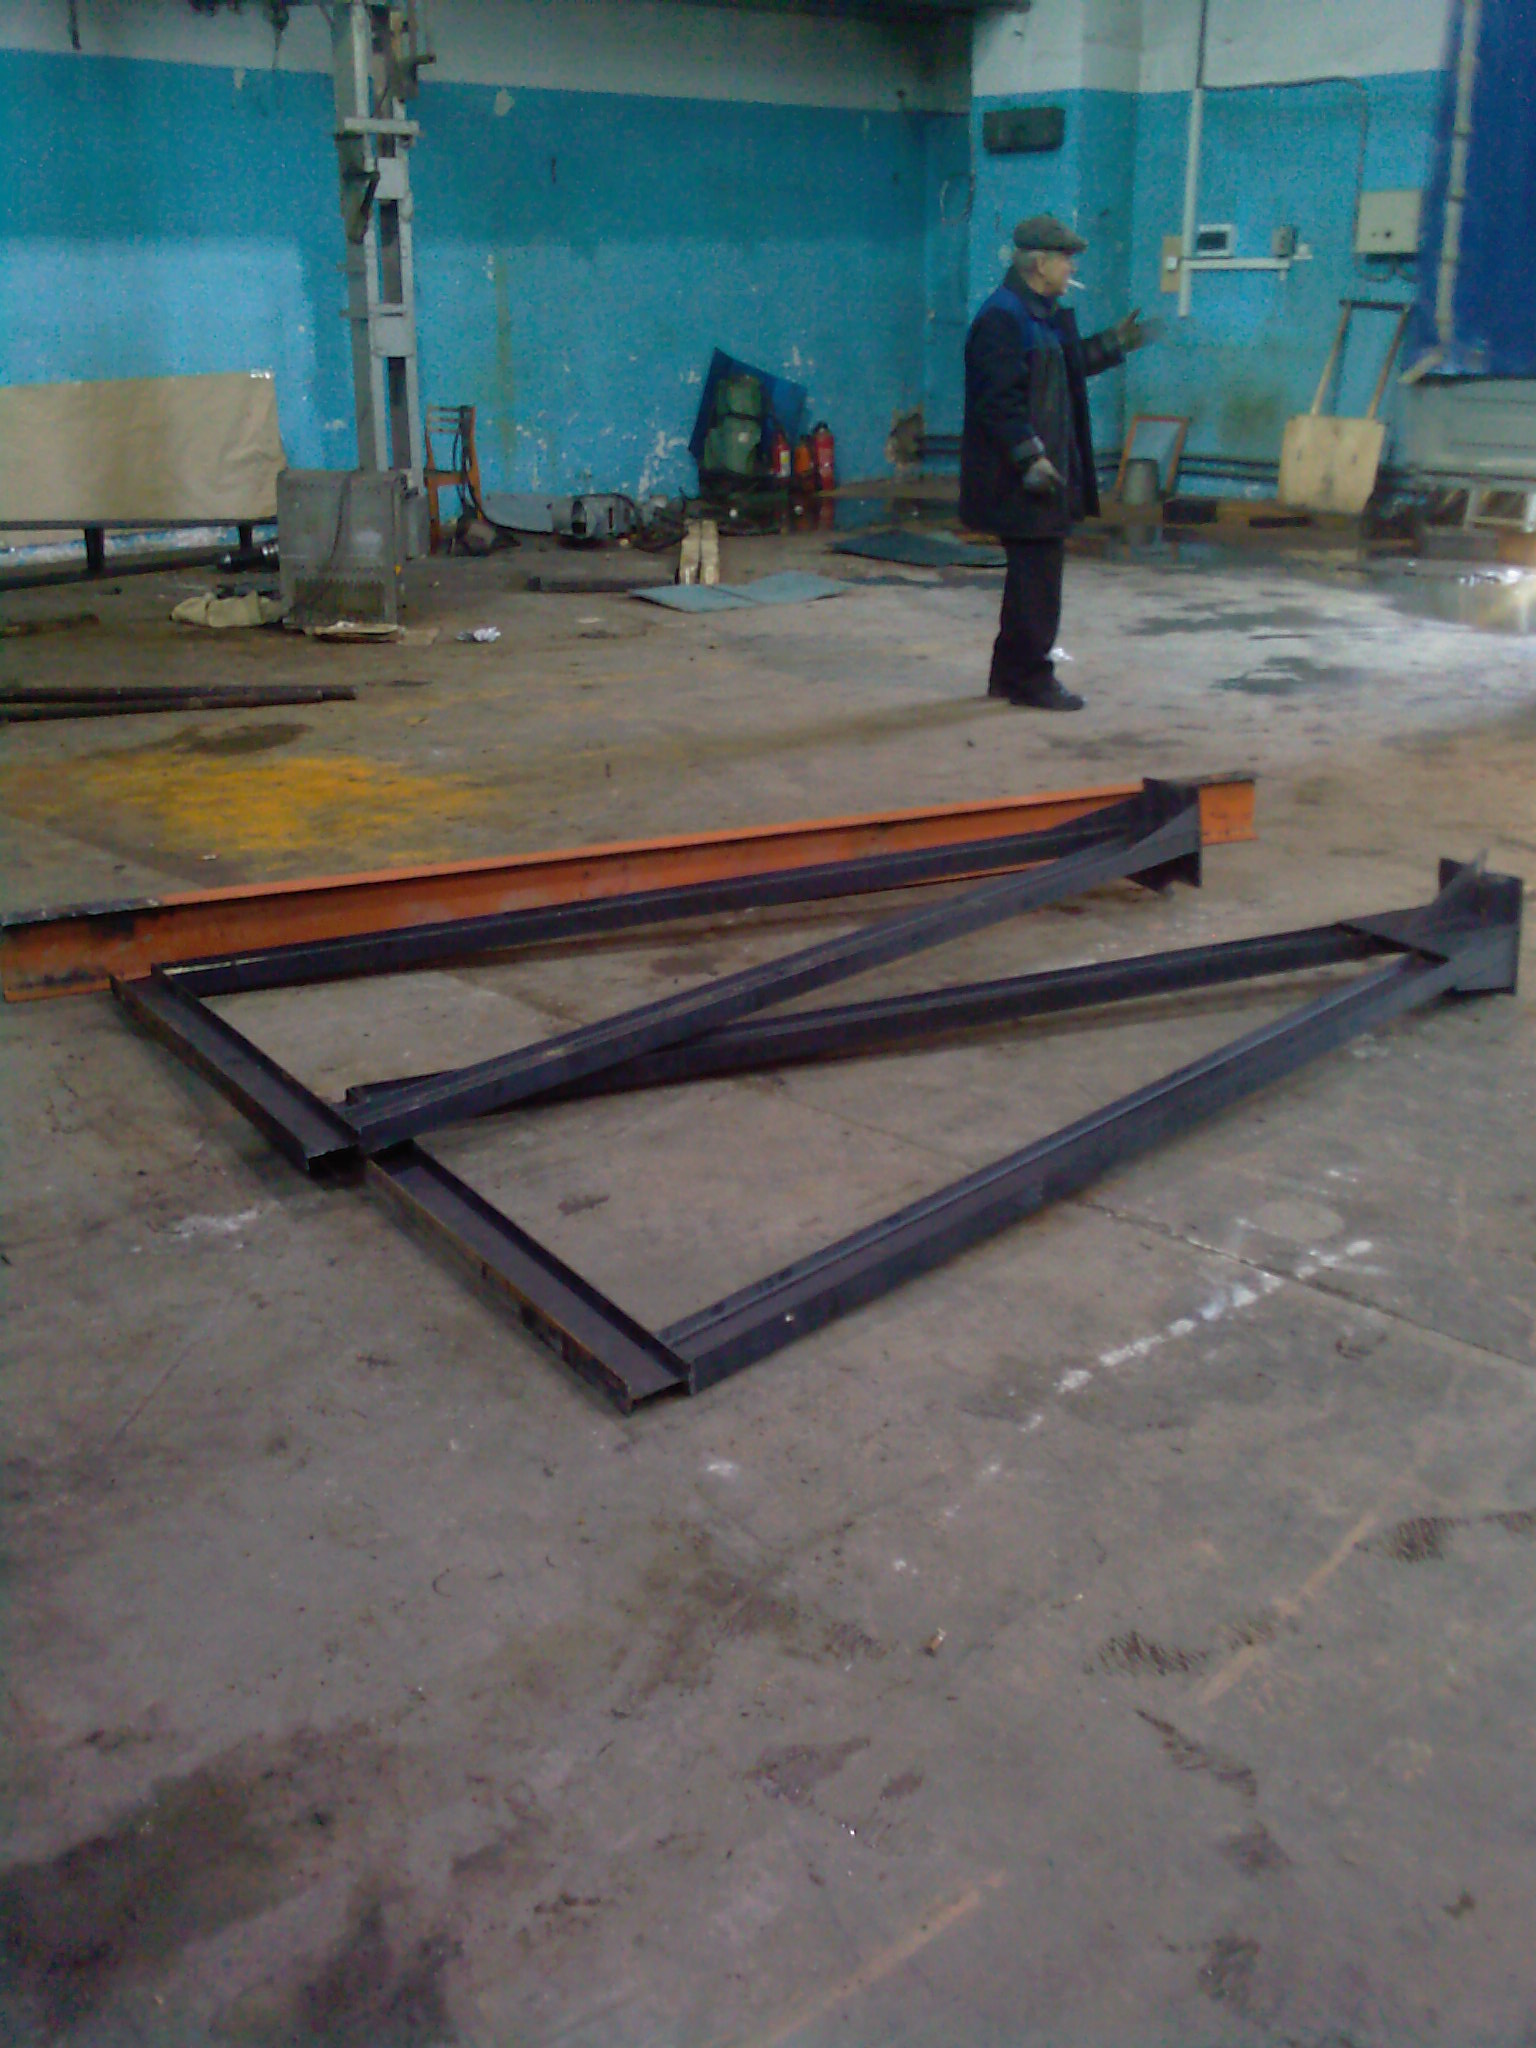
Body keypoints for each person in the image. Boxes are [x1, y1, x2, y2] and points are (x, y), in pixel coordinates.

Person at [961, 215, 1153, 711]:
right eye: (1066, 259)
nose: (1072, 268)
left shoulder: (1041, 315)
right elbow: (996, 400)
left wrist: (1112, 344)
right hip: (1023, 478)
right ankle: (1030, 680)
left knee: (1032, 580)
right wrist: (1030, 457)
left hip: (1044, 470)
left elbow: (1065, 367)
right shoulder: (1002, 319)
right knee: (1038, 584)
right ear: (1039, 263)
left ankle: (1010, 675)